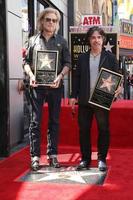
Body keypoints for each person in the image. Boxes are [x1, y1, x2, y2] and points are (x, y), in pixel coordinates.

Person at [23, 8, 71, 171]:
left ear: (57, 24)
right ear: (42, 21)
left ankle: (53, 155)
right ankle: (35, 156)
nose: (51, 23)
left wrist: (60, 76)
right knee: (35, 122)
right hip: (37, 87)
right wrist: (31, 75)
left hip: (55, 87)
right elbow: (26, 62)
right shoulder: (32, 41)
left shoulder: (62, 41)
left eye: (54, 20)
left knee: (54, 121)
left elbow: (67, 63)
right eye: (48, 19)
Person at [69, 26, 122, 171]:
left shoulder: (110, 58)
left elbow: (117, 78)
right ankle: (85, 159)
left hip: (101, 100)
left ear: (103, 39)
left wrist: (119, 88)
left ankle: (101, 159)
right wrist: (73, 96)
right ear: (89, 40)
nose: (96, 40)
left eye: (99, 37)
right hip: (85, 100)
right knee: (84, 130)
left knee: (103, 129)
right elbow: (76, 78)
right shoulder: (82, 58)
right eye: (93, 37)